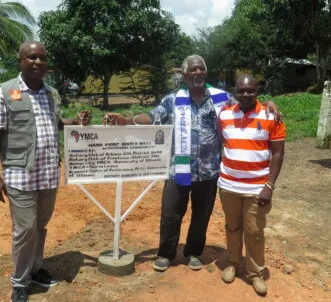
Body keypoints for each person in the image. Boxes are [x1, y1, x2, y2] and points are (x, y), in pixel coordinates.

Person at [103, 55, 280, 273]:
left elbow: (248, 103)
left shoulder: (221, 98)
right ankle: (166, 254)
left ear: (205, 73)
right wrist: (127, 120)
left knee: (201, 216)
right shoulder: (173, 99)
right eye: (193, 70)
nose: (197, 73)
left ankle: (193, 252)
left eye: (201, 69)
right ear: (185, 75)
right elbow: (153, 117)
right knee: (170, 214)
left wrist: (269, 103)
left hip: (209, 171)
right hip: (178, 170)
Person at [0, 41, 89, 302]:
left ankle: (34, 268)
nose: (38, 62)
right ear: (20, 60)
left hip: (48, 174)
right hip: (20, 173)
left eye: (42, 58)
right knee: (25, 229)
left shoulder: (51, 93)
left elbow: (54, 123)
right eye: (32, 57)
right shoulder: (3, 93)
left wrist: (75, 122)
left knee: (40, 226)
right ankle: (20, 282)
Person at [217, 74, 285, 296]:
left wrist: (270, 185)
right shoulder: (224, 114)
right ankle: (233, 264)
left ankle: (255, 273)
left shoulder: (270, 115)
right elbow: (222, 143)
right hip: (228, 185)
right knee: (232, 227)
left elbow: (277, 153)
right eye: (241, 90)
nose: (246, 94)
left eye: (251, 90)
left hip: (257, 187)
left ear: (258, 91)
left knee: (254, 231)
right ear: (234, 91)